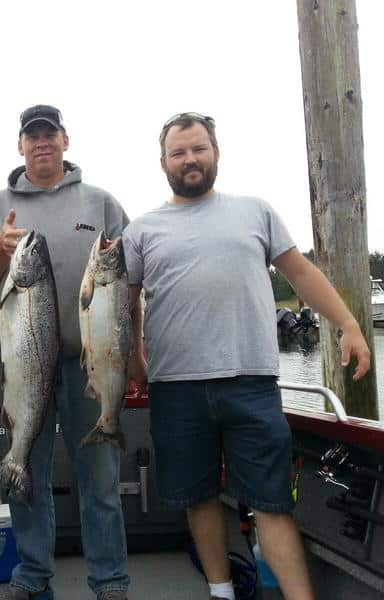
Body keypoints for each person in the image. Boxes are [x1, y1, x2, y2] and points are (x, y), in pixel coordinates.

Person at [122, 112, 372, 600]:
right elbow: (124, 306)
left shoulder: (256, 211)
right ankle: (222, 591)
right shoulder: (141, 231)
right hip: (176, 388)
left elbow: (300, 274)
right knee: (198, 499)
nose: (190, 159)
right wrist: (134, 361)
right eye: (179, 152)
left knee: (272, 502)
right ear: (163, 163)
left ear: (215, 153)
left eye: (199, 149)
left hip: (253, 384)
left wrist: (348, 323)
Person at [0, 105, 138, 600]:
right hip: (21, 366)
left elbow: (129, 285)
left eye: (49, 134)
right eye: (31, 136)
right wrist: (0, 249)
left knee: (101, 481)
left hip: (92, 364)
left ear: (66, 140)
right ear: (19, 146)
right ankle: (31, 576)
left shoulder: (101, 203)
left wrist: (133, 352)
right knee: (27, 477)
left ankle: (110, 581)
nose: (41, 142)